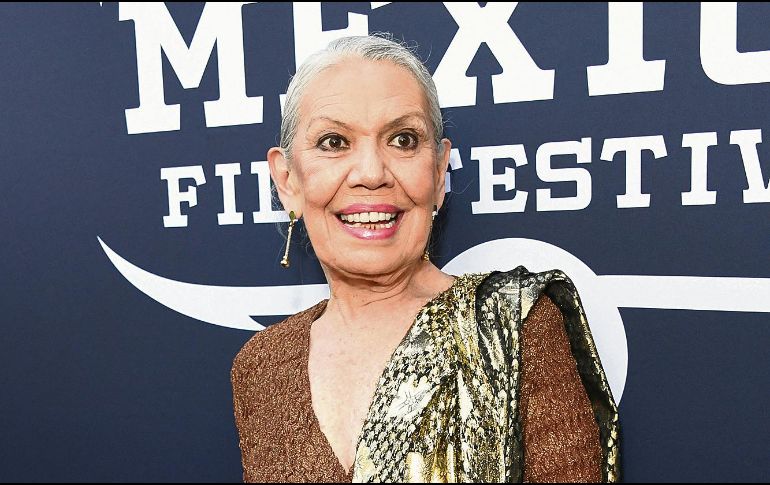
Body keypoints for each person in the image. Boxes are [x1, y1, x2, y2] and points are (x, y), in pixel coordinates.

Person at [230, 34, 619, 483]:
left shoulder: (515, 326)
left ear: (437, 173)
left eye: (402, 139)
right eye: (334, 142)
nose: (372, 173)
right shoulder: (262, 367)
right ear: (287, 179)